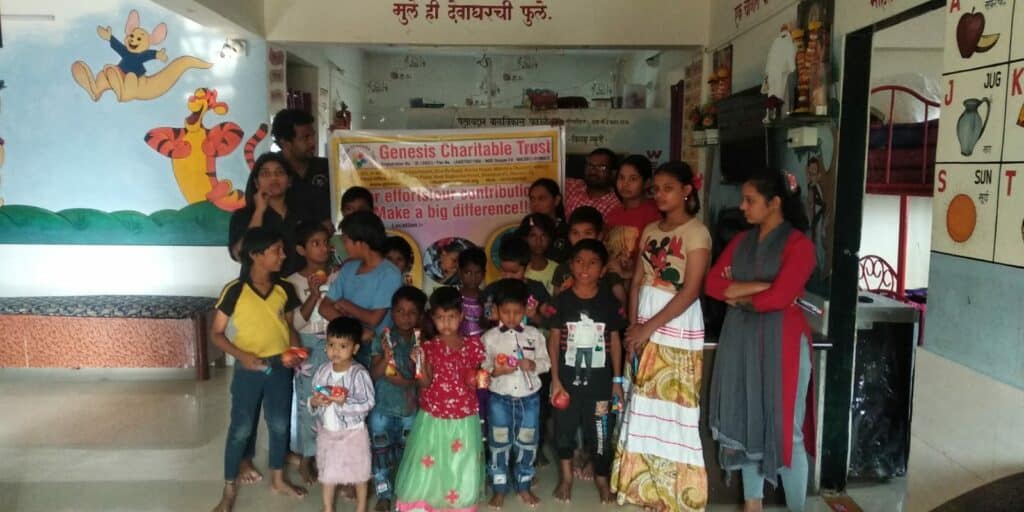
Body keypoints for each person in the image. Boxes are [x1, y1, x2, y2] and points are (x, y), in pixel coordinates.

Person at [705, 169, 816, 512]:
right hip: (741, 341)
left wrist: (739, 292)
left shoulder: (800, 245)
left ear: (775, 203)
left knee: (787, 433)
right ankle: (751, 506)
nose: (742, 207)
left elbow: (779, 300)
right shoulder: (741, 242)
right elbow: (711, 285)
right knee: (747, 424)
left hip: (782, 344)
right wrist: (764, 287)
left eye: (750, 200)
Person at [612, 161, 711, 512]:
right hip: (645, 320)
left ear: (687, 190)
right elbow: (638, 278)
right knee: (643, 404)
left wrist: (647, 327)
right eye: (657, 188)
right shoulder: (652, 229)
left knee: (673, 406)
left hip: (676, 323)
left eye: (668, 187)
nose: (660, 193)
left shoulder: (696, 233)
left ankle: (677, 494)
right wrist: (633, 325)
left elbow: (690, 290)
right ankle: (645, 488)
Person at [211, 227, 307, 512]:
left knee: (279, 425)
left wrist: (294, 352)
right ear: (255, 255)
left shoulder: (284, 290)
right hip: (248, 370)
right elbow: (216, 333)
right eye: (277, 250)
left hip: (279, 367)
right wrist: (243, 356)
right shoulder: (235, 290)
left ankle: (278, 479)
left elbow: (288, 328)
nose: (283, 255)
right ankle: (229, 487)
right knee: (241, 428)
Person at [394, 287, 486, 512]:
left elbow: (476, 376)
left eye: (451, 317)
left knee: (460, 462)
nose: (446, 323)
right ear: (432, 318)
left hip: (463, 417)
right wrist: (419, 362)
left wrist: (480, 377)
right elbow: (424, 382)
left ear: (461, 316)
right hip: (434, 416)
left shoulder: (473, 346)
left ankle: (458, 503)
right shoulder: (428, 347)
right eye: (440, 318)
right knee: (430, 460)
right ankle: (423, 502)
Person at [547, 239, 626, 504]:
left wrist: (617, 381)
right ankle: (567, 477)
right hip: (567, 384)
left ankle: (602, 479)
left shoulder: (609, 303)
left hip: (602, 386)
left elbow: (615, 341)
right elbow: (554, 339)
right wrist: (555, 380)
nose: (585, 268)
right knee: (564, 432)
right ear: (570, 265)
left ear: (603, 269)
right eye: (579, 261)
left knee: (602, 434)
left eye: (593, 263)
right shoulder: (561, 302)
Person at [482, 279, 551, 508]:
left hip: (529, 400)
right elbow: (483, 367)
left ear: (525, 309)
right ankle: (499, 488)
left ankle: (524, 485)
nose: (511, 317)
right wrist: (495, 370)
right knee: (498, 443)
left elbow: (546, 362)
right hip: (499, 399)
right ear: (497, 310)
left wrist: (532, 365)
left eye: (517, 312)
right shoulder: (490, 338)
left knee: (527, 443)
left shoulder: (535, 335)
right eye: (506, 312)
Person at [285, 221, 338, 485]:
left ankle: (333, 456)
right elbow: (296, 322)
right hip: (307, 345)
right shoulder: (292, 282)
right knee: (309, 402)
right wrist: (314, 295)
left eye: (325, 243)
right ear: (301, 249)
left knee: (337, 399)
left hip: (335, 344)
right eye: (315, 244)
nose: (323, 249)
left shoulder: (337, 277)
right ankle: (307, 456)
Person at [368, 286, 427, 512]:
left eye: (412, 312)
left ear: (420, 316)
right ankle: (384, 494)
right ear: (392, 312)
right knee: (380, 452)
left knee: (408, 453)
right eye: (400, 311)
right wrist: (386, 357)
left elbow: (423, 379)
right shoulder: (382, 338)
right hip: (382, 408)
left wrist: (407, 382)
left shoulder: (421, 342)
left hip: (409, 409)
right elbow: (374, 374)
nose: (405, 317)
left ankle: (404, 492)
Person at [320, 211, 404, 367]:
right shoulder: (348, 268)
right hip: (347, 346)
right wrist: (357, 332)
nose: (344, 246)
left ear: (361, 243)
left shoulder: (390, 273)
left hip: (375, 348)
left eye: (346, 241)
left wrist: (343, 304)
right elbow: (324, 308)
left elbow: (373, 319)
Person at [309, 317, 376, 512]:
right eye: (331, 344)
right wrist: (315, 402)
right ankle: (328, 507)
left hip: (353, 434)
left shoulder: (359, 374)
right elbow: (314, 394)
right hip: (328, 432)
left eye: (343, 346)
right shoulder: (322, 371)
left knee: (359, 473)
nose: (336, 351)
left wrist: (344, 402)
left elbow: (368, 402)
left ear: (355, 348)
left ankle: (361, 507)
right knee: (327, 473)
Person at [229, 152, 315, 276]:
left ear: (289, 181)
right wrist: (259, 211)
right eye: (265, 174)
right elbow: (240, 255)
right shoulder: (243, 216)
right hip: (260, 288)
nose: (273, 178)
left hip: (299, 287)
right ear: (256, 183)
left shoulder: (304, 214)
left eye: (279, 172)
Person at [604, 155, 662, 289]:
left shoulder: (655, 213)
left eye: (633, 179)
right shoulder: (613, 213)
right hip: (614, 284)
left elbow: (659, 258)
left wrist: (629, 274)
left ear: (647, 183)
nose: (625, 184)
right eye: (621, 177)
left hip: (642, 285)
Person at [273, 108, 332, 228]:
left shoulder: (326, 168)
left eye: (313, 135)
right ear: (285, 142)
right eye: (305, 137)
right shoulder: (270, 172)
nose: (312, 142)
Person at [564, 148, 621, 218]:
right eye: (590, 165)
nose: (593, 171)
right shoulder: (574, 186)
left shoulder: (616, 205)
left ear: (613, 173)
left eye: (601, 167)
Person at [528, 178, 570, 262]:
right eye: (532, 199)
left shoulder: (567, 232)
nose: (535, 204)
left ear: (557, 200)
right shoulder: (525, 230)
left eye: (541, 199)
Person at [518, 213, 559, 296]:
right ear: (525, 238)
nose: (539, 241)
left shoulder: (557, 269)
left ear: (550, 238)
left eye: (543, 235)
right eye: (533, 235)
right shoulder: (518, 271)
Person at [458, 247, 488, 338]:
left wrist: (485, 315)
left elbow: (487, 324)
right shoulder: (454, 297)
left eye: (478, 273)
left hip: (481, 345)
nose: (473, 278)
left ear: (484, 274)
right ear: (459, 272)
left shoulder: (487, 298)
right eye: (468, 273)